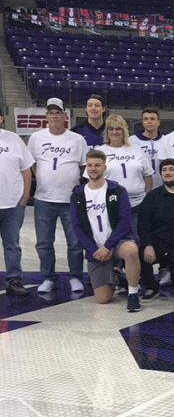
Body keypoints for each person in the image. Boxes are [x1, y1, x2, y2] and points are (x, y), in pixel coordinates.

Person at [28, 97, 87, 294]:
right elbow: (32, 163)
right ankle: (48, 277)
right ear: (46, 115)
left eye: (58, 112)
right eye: (51, 112)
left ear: (64, 115)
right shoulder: (36, 138)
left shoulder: (77, 139)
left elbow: (82, 166)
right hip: (44, 198)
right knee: (44, 242)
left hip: (70, 199)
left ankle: (75, 276)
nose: (54, 116)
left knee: (75, 242)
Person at [70, 150, 141, 311]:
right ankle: (116, 277)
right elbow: (77, 226)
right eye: (89, 165)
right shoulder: (78, 195)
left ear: (104, 167)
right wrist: (94, 249)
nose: (93, 169)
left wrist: (107, 246)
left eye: (97, 165)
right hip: (95, 249)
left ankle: (133, 294)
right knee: (102, 299)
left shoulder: (117, 190)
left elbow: (124, 222)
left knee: (131, 250)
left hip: (116, 243)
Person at [137, 159, 174, 301]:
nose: (167, 172)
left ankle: (170, 271)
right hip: (158, 245)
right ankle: (151, 287)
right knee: (138, 252)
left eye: (171, 169)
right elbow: (143, 225)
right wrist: (148, 245)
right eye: (164, 170)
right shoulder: (151, 197)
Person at [95, 114, 153, 231]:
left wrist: (147, 198)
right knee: (112, 240)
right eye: (111, 129)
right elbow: (92, 178)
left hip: (137, 205)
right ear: (107, 132)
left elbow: (148, 175)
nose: (114, 132)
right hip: (110, 205)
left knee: (135, 240)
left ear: (124, 131)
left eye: (118, 129)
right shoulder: (100, 151)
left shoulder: (136, 149)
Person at [0, 109, 34, 295]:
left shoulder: (13, 139)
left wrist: (25, 195)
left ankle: (13, 280)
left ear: (1, 118)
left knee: (12, 244)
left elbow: (26, 168)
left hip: (12, 204)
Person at [129, 107, 165, 189]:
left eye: (152, 119)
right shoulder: (131, 141)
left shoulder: (166, 140)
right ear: (142, 122)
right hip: (140, 187)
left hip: (162, 186)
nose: (149, 122)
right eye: (146, 119)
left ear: (158, 122)